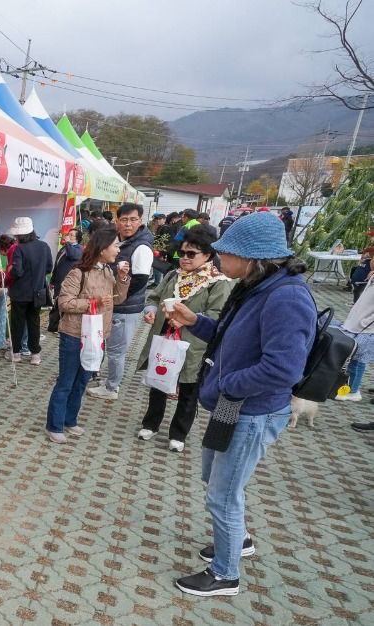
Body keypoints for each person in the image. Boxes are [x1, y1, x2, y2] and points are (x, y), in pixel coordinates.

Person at [166, 211, 316, 597]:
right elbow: (231, 337)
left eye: (225, 253)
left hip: (251, 410)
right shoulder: (254, 285)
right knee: (212, 475)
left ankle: (224, 574)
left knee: (223, 493)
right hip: (231, 405)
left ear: (251, 257)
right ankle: (239, 539)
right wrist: (194, 320)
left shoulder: (287, 297)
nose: (217, 259)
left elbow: (283, 369)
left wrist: (229, 382)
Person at [136, 227, 232, 452]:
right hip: (165, 340)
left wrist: (191, 321)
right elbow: (154, 296)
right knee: (158, 382)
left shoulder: (218, 282)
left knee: (189, 390)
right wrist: (150, 310)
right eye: (182, 253)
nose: (185, 258)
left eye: (192, 254)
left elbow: (217, 315)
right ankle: (151, 424)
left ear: (207, 255)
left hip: (194, 346)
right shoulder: (173, 275)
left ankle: (179, 433)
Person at [47, 228, 130, 442]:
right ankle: (54, 425)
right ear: (102, 249)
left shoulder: (108, 271)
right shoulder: (78, 272)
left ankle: (70, 420)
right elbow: (64, 303)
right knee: (66, 381)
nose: (118, 250)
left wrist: (122, 278)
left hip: (98, 335)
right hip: (75, 334)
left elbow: (118, 299)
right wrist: (93, 303)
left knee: (82, 380)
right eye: (115, 245)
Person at [87, 203, 154, 400]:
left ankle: (111, 388)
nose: (128, 224)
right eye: (124, 220)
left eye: (133, 220)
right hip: (114, 305)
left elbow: (141, 280)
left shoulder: (141, 246)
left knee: (117, 351)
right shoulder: (121, 241)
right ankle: (103, 379)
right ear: (117, 221)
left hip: (125, 308)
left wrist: (119, 297)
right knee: (106, 345)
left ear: (140, 221)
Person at [4, 217, 53, 365]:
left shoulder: (19, 248)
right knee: (34, 323)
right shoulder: (44, 246)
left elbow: (17, 272)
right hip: (37, 291)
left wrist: (11, 270)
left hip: (20, 293)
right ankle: (35, 354)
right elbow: (49, 268)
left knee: (17, 323)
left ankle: (16, 353)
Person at [334, 271, 374, 404]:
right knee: (353, 359)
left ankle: (353, 391)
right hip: (357, 324)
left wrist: (365, 323)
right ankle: (347, 388)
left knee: (359, 360)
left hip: (367, 329)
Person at [48, 229, 84, 333]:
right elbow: (57, 264)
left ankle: (61, 327)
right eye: (69, 234)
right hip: (59, 280)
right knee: (56, 303)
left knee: (64, 303)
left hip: (68, 282)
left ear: (77, 238)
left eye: (72, 235)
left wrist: (67, 242)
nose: (69, 236)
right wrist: (52, 280)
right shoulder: (64, 248)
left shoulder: (79, 249)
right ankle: (53, 326)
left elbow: (73, 256)